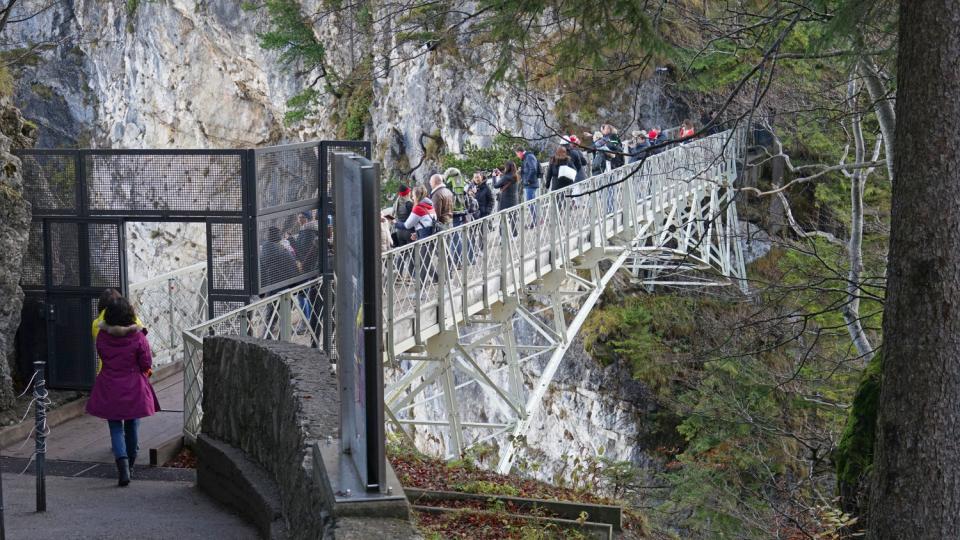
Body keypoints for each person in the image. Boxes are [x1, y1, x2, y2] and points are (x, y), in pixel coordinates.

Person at [86, 295, 159, 487]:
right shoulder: (138, 337)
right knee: (132, 424)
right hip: (134, 385)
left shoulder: (102, 335)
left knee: (115, 427)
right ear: (130, 315)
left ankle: (123, 467)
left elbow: (102, 354)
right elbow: (146, 363)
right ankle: (131, 461)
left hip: (109, 384)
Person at [92, 289, 146, 375]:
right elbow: (142, 333)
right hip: (130, 374)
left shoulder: (96, 324)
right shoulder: (132, 321)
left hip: (106, 373)